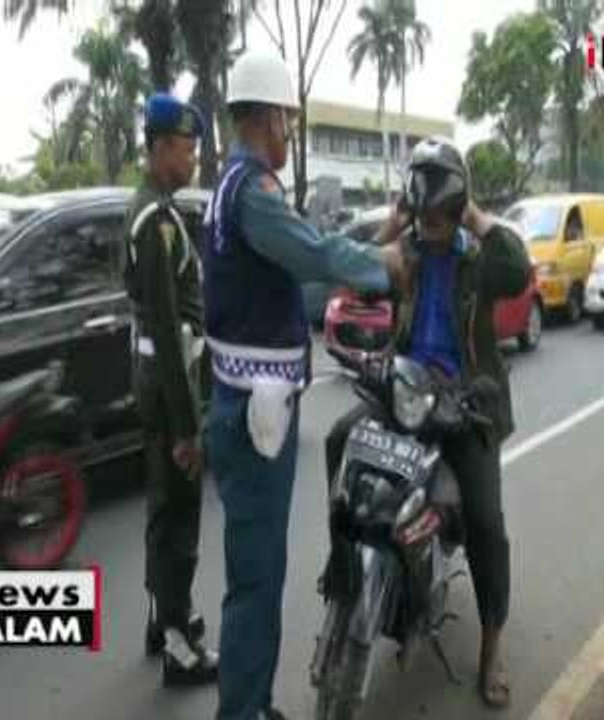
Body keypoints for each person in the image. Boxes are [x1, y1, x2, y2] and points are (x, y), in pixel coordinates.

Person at [203, 52, 401, 720]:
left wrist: (378, 236)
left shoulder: (234, 185)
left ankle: (250, 702)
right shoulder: (254, 192)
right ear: (266, 117)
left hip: (242, 402)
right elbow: (315, 255)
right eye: (287, 118)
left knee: (254, 574)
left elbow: (310, 248)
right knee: (257, 581)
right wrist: (384, 264)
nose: (290, 130)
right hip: (256, 412)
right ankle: (244, 712)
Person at [325, 137, 532, 708]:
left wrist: (474, 215)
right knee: (341, 439)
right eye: (424, 216)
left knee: (487, 523)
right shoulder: (407, 251)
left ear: (457, 206)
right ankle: (341, 568)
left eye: (443, 215)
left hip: (467, 402)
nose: (433, 226)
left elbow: (518, 272)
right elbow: (353, 271)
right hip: (405, 388)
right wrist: (393, 227)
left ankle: (492, 646)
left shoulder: (478, 255)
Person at [122, 93, 217, 688]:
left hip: (154, 376)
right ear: (159, 149)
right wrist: (188, 428)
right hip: (170, 382)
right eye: (186, 151)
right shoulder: (155, 222)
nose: (193, 162)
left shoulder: (152, 207)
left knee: (162, 506)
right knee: (180, 515)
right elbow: (163, 320)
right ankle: (180, 647)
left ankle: (164, 617)